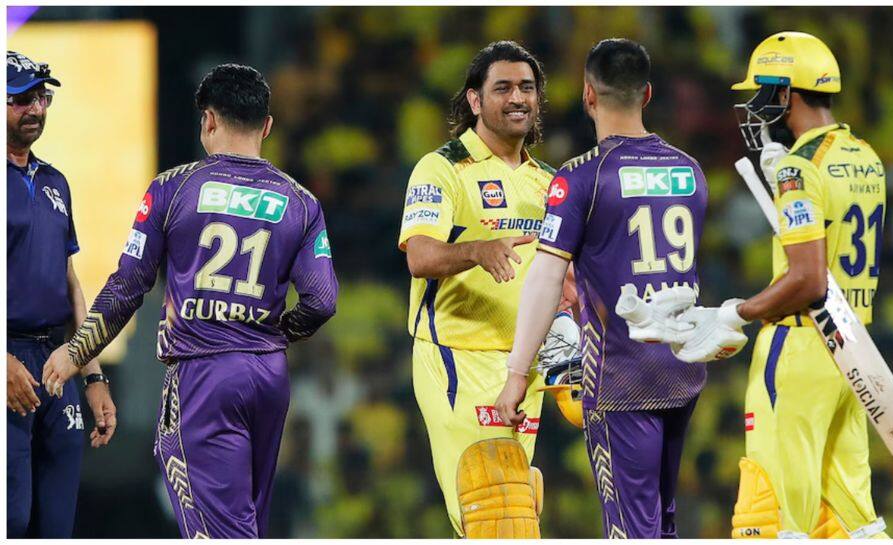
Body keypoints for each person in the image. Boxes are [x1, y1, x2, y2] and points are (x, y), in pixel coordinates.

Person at [42, 63, 338, 538]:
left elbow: (129, 284)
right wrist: (273, 334)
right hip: (268, 377)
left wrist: (77, 350)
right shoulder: (301, 201)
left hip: (203, 374)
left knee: (220, 533)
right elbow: (322, 301)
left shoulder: (173, 187)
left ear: (209, 120)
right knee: (245, 523)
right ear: (266, 126)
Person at [496, 38, 720, 538]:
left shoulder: (583, 177)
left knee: (630, 529)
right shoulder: (690, 171)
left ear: (588, 95)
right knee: (662, 522)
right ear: (647, 94)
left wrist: (517, 373)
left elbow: (546, 278)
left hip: (621, 375)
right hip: (682, 369)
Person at [715, 31, 888, 538]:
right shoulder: (865, 155)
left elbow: (809, 279)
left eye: (761, 92)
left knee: (772, 517)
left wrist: (739, 312)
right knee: (853, 521)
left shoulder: (799, 167)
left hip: (801, 342)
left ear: (785, 93)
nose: (755, 106)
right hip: (853, 344)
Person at [398, 41, 560, 538]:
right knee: (491, 505)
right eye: (503, 88)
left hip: (525, 366)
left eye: (527, 88)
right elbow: (419, 256)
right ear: (474, 100)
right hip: (458, 358)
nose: (518, 98)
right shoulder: (442, 168)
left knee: (514, 509)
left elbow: (565, 276)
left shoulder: (550, 182)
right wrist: (476, 250)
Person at [6, 50, 117, 538]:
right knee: (10, 519)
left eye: (42, 98)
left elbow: (67, 279)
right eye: (21, 99)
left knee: (56, 526)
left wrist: (92, 375)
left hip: (56, 362)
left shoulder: (56, 182)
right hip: (8, 358)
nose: (36, 109)